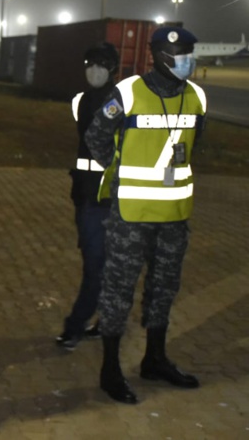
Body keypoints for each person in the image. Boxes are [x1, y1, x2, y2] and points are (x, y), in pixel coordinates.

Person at [86, 26, 206, 404]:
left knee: (164, 288)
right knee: (119, 290)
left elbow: (194, 142)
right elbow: (96, 137)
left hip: (175, 214)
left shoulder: (198, 96)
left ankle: (155, 359)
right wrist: (120, 173)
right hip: (132, 214)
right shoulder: (128, 92)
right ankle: (110, 370)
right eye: (179, 53)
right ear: (158, 55)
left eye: (189, 52)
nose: (186, 59)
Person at [56, 42, 119, 350]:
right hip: (88, 197)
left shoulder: (121, 102)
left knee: (104, 267)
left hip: (113, 198)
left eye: (102, 64)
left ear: (113, 69)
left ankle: (83, 325)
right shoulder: (82, 100)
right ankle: (89, 324)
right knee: (97, 265)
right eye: (90, 63)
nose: (94, 69)